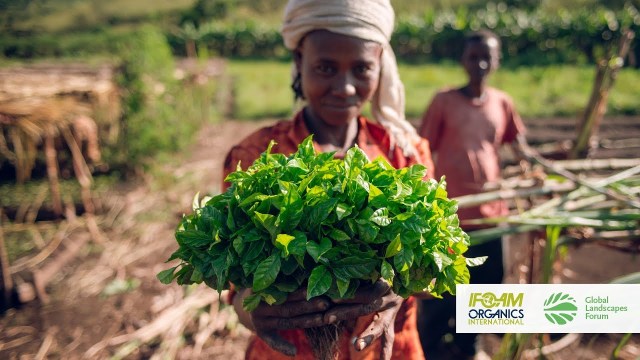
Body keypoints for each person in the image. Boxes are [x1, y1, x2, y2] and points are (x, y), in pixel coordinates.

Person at [221, 1, 435, 359]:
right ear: (298, 63)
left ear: (380, 66)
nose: (345, 87)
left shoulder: (405, 156)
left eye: (362, 69)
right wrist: (251, 309)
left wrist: (403, 285)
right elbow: (236, 285)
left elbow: (440, 268)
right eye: (325, 68)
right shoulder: (257, 156)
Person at [417, 29, 527, 359]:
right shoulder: (444, 101)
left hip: (492, 217)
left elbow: (521, 150)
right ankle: (431, 349)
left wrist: (561, 157)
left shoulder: (502, 103)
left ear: (496, 62)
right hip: (452, 217)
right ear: (462, 61)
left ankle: (469, 348)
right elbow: (423, 151)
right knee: (441, 292)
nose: (479, 63)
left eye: (486, 57)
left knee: (483, 291)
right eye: (473, 57)